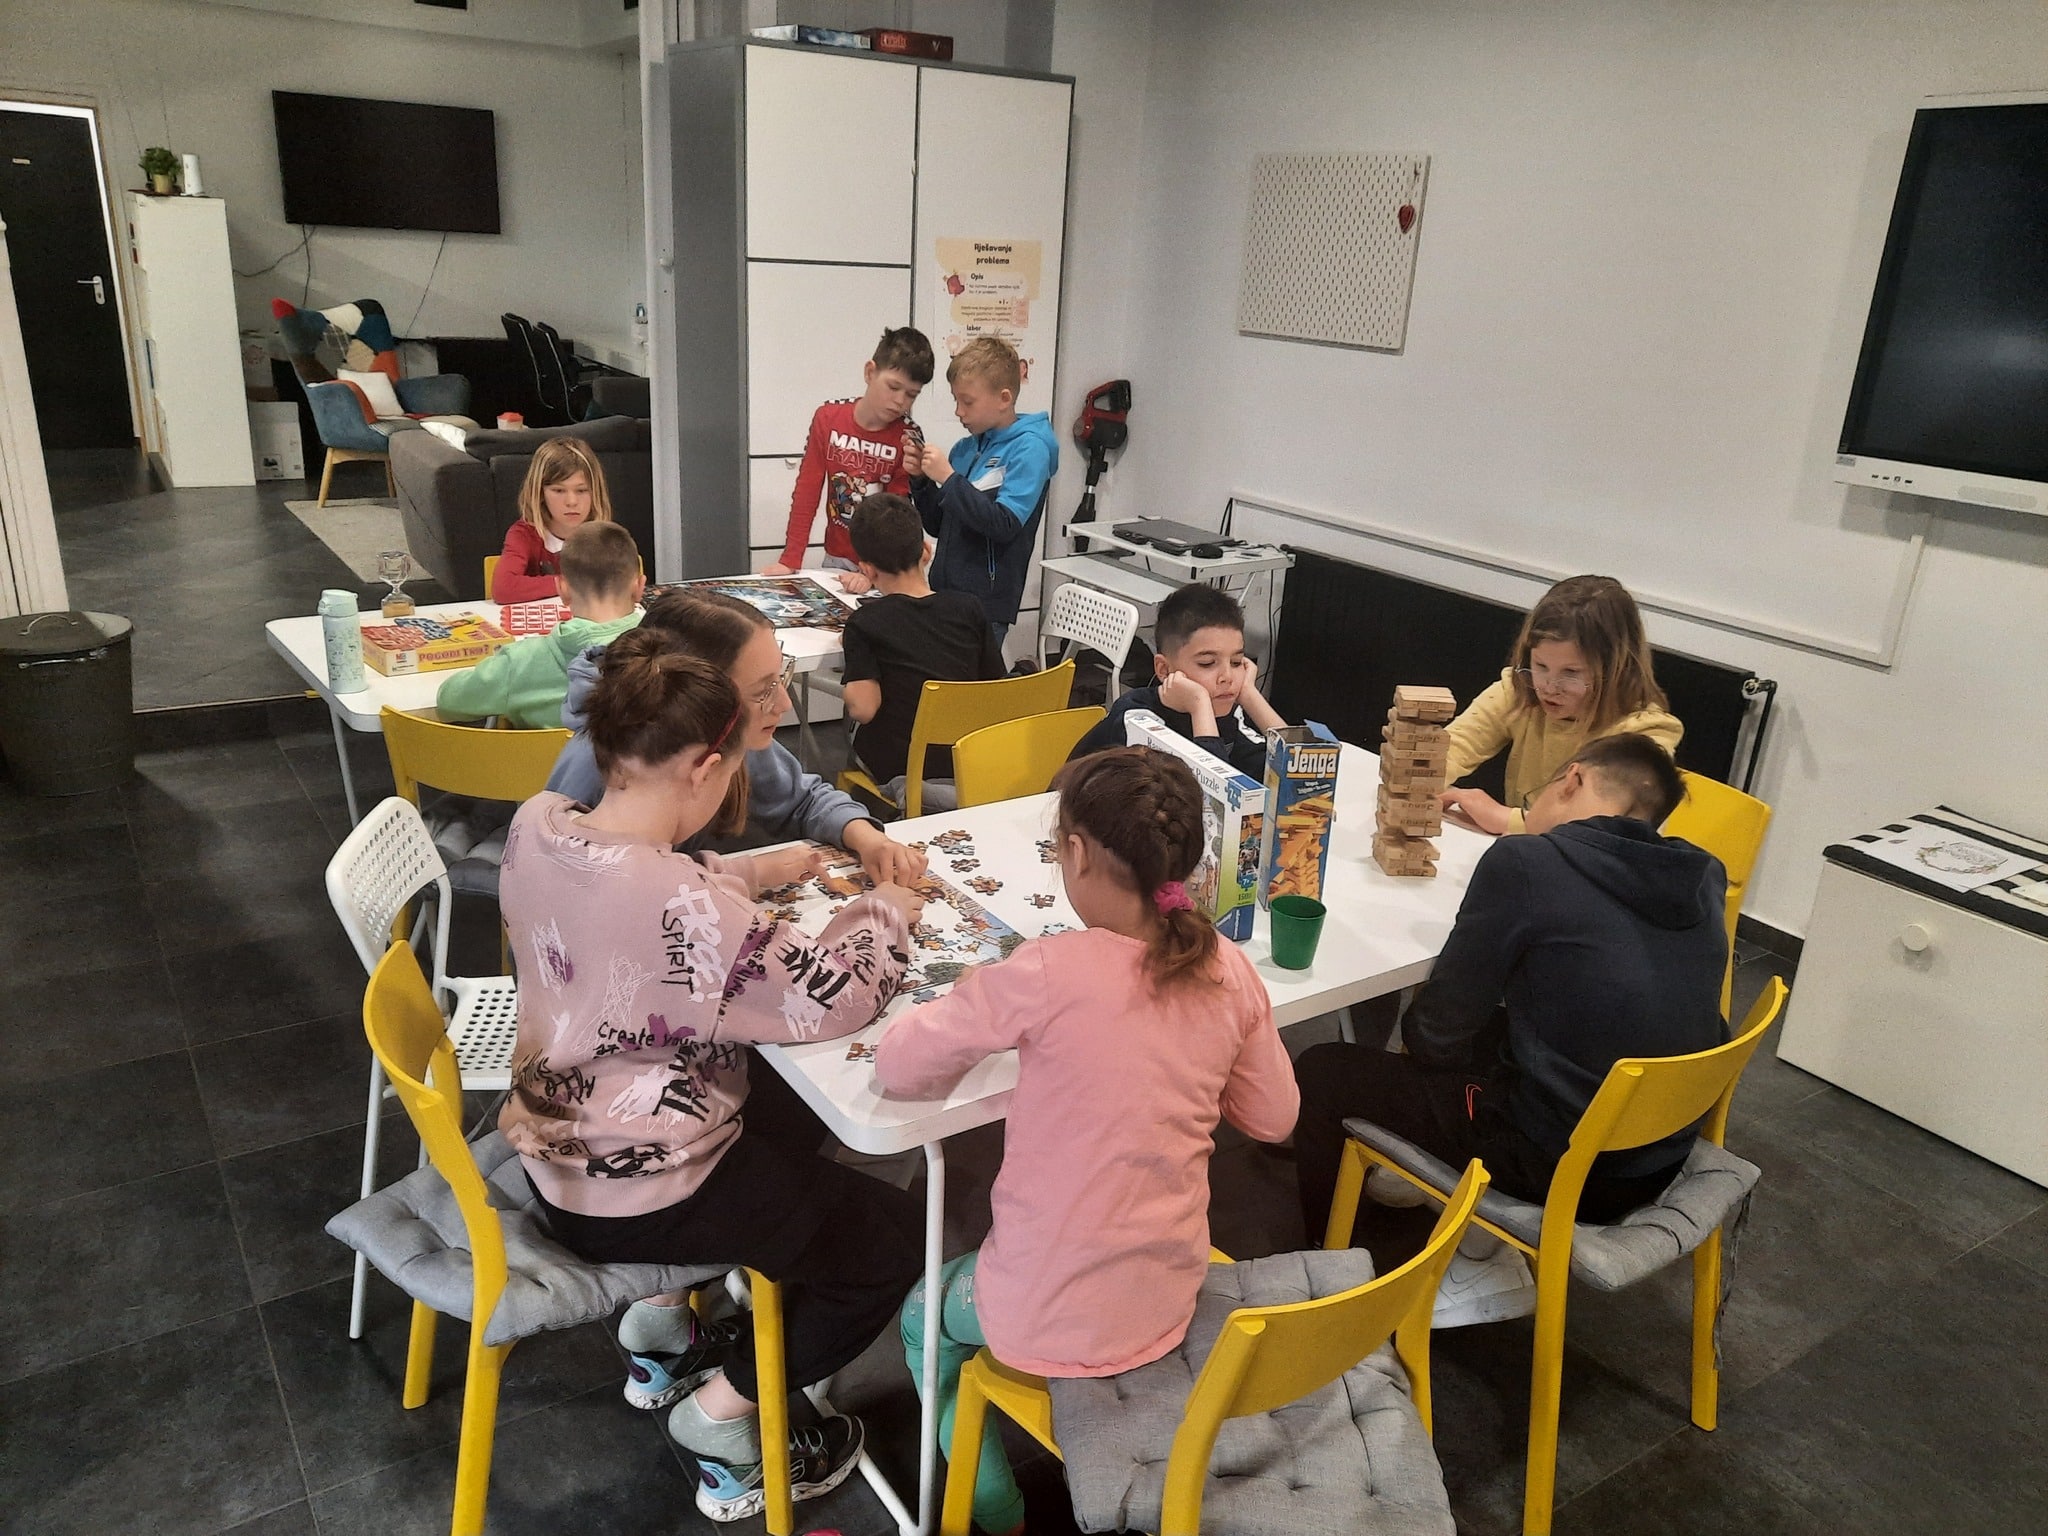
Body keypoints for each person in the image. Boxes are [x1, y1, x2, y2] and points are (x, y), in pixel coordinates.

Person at [498, 627, 927, 1523]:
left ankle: (659, 1329)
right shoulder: (681, 905)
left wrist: (749, 870)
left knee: (797, 1115)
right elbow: (836, 997)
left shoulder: (540, 823)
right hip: (636, 1192)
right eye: (730, 773)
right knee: (891, 1242)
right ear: (702, 768)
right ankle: (721, 1420)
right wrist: (888, 910)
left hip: (558, 1146)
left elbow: (638, 884)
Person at [875, 747, 1299, 1535]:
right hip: (1169, 1293)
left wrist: (969, 996)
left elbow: (898, 1067)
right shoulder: (1227, 968)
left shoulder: (1045, 969)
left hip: (1042, 1310)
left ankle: (994, 1509)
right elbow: (1274, 1118)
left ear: (1074, 851)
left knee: (920, 1317)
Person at [1292, 733, 1729, 1327]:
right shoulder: (1701, 875)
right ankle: (1451, 1219)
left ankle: (1333, 1271)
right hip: (1658, 1150)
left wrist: (1437, 1048)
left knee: (1323, 1071)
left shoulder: (1529, 863)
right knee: (1488, 1036)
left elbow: (1438, 1031)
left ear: (1572, 778)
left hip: (1564, 1167)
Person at [548, 591, 929, 886]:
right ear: (700, 693)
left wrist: (868, 839)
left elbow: (802, 798)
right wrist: (745, 875)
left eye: (781, 678)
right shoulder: (594, 769)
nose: (784, 704)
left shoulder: (729, 733)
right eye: (763, 690)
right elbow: (578, 898)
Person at [1439, 574, 1683, 836]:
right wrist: (1417, 781)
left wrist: (1509, 820)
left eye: (1571, 673)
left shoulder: (1645, 733)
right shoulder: (1519, 691)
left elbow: (1604, 832)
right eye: (1540, 665)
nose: (1549, 687)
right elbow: (1448, 751)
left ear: (1615, 671)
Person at [840, 491, 1007, 811]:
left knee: (853, 734)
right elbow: (994, 687)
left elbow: (864, 709)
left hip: (903, 767)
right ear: (926, 551)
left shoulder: (864, 623)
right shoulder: (969, 608)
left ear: (868, 570)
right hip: (968, 759)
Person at [905, 337, 1058, 640]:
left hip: (985, 607)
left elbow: (1004, 524)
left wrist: (949, 479)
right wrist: (922, 481)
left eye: (968, 402)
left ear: (1004, 399)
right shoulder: (965, 448)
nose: (959, 411)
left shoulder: (1031, 449)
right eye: (956, 400)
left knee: (970, 675)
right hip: (944, 593)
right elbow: (939, 525)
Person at [762, 326, 934, 595]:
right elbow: (807, 491)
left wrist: (874, 572)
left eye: (912, 394)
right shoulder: (828, 418)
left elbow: (896, 514)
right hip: (837, 558)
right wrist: (790, 559)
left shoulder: (908, 435)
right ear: (870, 372)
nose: (900, 401)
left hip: (884, 566)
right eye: (893, 387)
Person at [436, 521, 643, 728]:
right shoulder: (661, 657)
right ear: (639, 587)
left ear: (562, 590)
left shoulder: (517, 664)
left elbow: (448, 701)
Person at [1067, 583, 1285, 778]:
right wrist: (1199, 705)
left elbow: (1293, 774)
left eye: (1236, 662)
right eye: (1207, 663)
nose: (1227, 677)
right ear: (1164, 669)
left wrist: (1250, 694)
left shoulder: (1228, 713)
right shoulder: (1137, 718)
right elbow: (1209, 797)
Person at [491, 436, 615, 603]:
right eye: (558, 490)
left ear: (595, 492)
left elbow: (621, 585)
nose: (571, 502)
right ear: (540, 493)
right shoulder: (524, 534)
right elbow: (503, 588)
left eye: (582, 490)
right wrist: (571, 584)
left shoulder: (605, 536)